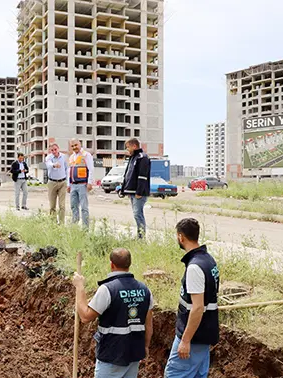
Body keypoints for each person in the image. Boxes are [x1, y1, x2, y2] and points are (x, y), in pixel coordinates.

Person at [73, 248, 154, 378]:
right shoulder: (145, 290)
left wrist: (80, 287)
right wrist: (146, 346)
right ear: (129, 264)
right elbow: (149, 326)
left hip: (111, 356)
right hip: (134, 355)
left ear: (112, 264)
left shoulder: (108, 289)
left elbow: (85, 316)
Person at [164, 218, 220, 378]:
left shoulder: (195, 267)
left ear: (180, 237)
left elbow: (197, 307)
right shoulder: (208, 260)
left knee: (174, 375)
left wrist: (186, 340)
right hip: (203, 336)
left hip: (194, 338)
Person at [121, 138, 151, 239]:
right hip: (132, 192)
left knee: (138, 214)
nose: (127, 150)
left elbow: (142, 176)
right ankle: (139, 236)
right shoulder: (132, 158)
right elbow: (128, 175)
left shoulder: (142, 157)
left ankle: (141, 237)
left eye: (128, 147)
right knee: (136, 214)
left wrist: (139, 191)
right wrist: (125, 190)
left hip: (139, 193)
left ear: (134, 146)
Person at [68, 139, 94, 228]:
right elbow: (69, 171)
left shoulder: (86, 155)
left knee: (84, 207)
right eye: (72, 146)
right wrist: (68, 184)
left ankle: (85, 228)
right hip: (73, 185)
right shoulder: (71, 157)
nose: (74, 147)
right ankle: (74, 226)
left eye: (76, 145)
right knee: (73, 206)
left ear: (80, 144)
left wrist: (90, 182)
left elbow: (90, 169)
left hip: (83, 184)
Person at [45, 143, 69, 224]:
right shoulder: (49, 157)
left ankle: (61, 223)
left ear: (58, 148)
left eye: (55, 149)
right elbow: (48, 165)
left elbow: (67, 169)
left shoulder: (64, 157)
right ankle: (53, 223)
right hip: (52, 183)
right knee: (52, 206)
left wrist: (68, 182)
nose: (54, 151)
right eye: (52, 150)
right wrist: (54, 165)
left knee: (62, 205)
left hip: (62, 182)